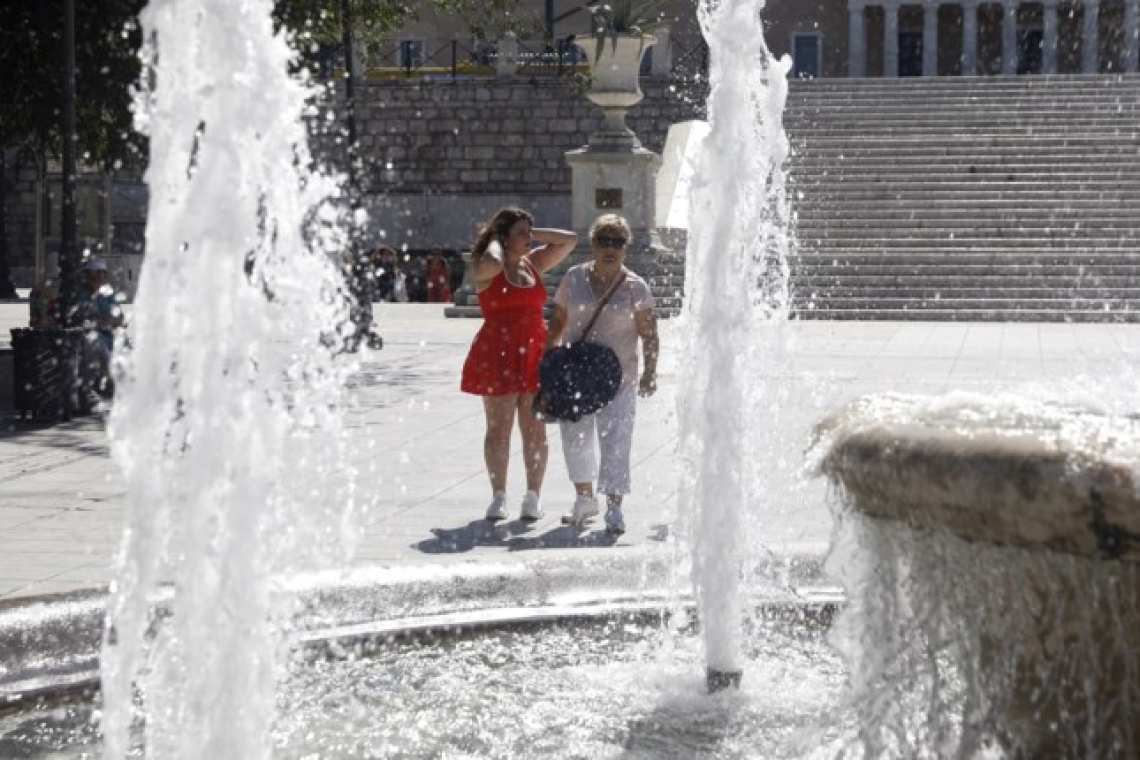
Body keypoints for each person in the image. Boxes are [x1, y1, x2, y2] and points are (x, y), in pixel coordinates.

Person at [460, 207, 578, 522]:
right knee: (499, 429)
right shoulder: (487, 266)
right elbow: (496, 261)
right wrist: (496, 239)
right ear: (503, 237)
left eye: (530, 232)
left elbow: (569, 241)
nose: (528, 239)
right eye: (521, 233)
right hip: (497, 351)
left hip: (535, 353)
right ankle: (498, 495)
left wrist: (530, 234)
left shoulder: (533, 263)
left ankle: (533, 496)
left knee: (535, 430)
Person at [546, 214, 659, 535]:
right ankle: (584, 499)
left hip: (619, 378)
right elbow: (557, 322)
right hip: (576, 375)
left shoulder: (635, 286)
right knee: (575, 438)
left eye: (617, 242)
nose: (610, 248)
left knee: (617, 441)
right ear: (593, 245)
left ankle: (614, 506)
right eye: (604, 241)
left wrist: (650, 372)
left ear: (626, 248)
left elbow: (649, 334)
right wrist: (546, 363)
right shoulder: (573, 278)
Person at [79, 259, 126, 399]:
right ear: (88, 275)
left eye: (103, 274)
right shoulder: (81, 293)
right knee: (102, 351)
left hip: (108, 333)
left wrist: (115, 320)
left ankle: (119, 384)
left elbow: (118, 315)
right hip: (91, 336)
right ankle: (108, 384)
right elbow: (84, 316)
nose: (100, 277)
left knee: (124, 345)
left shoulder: (107, 293)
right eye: (97, 274)